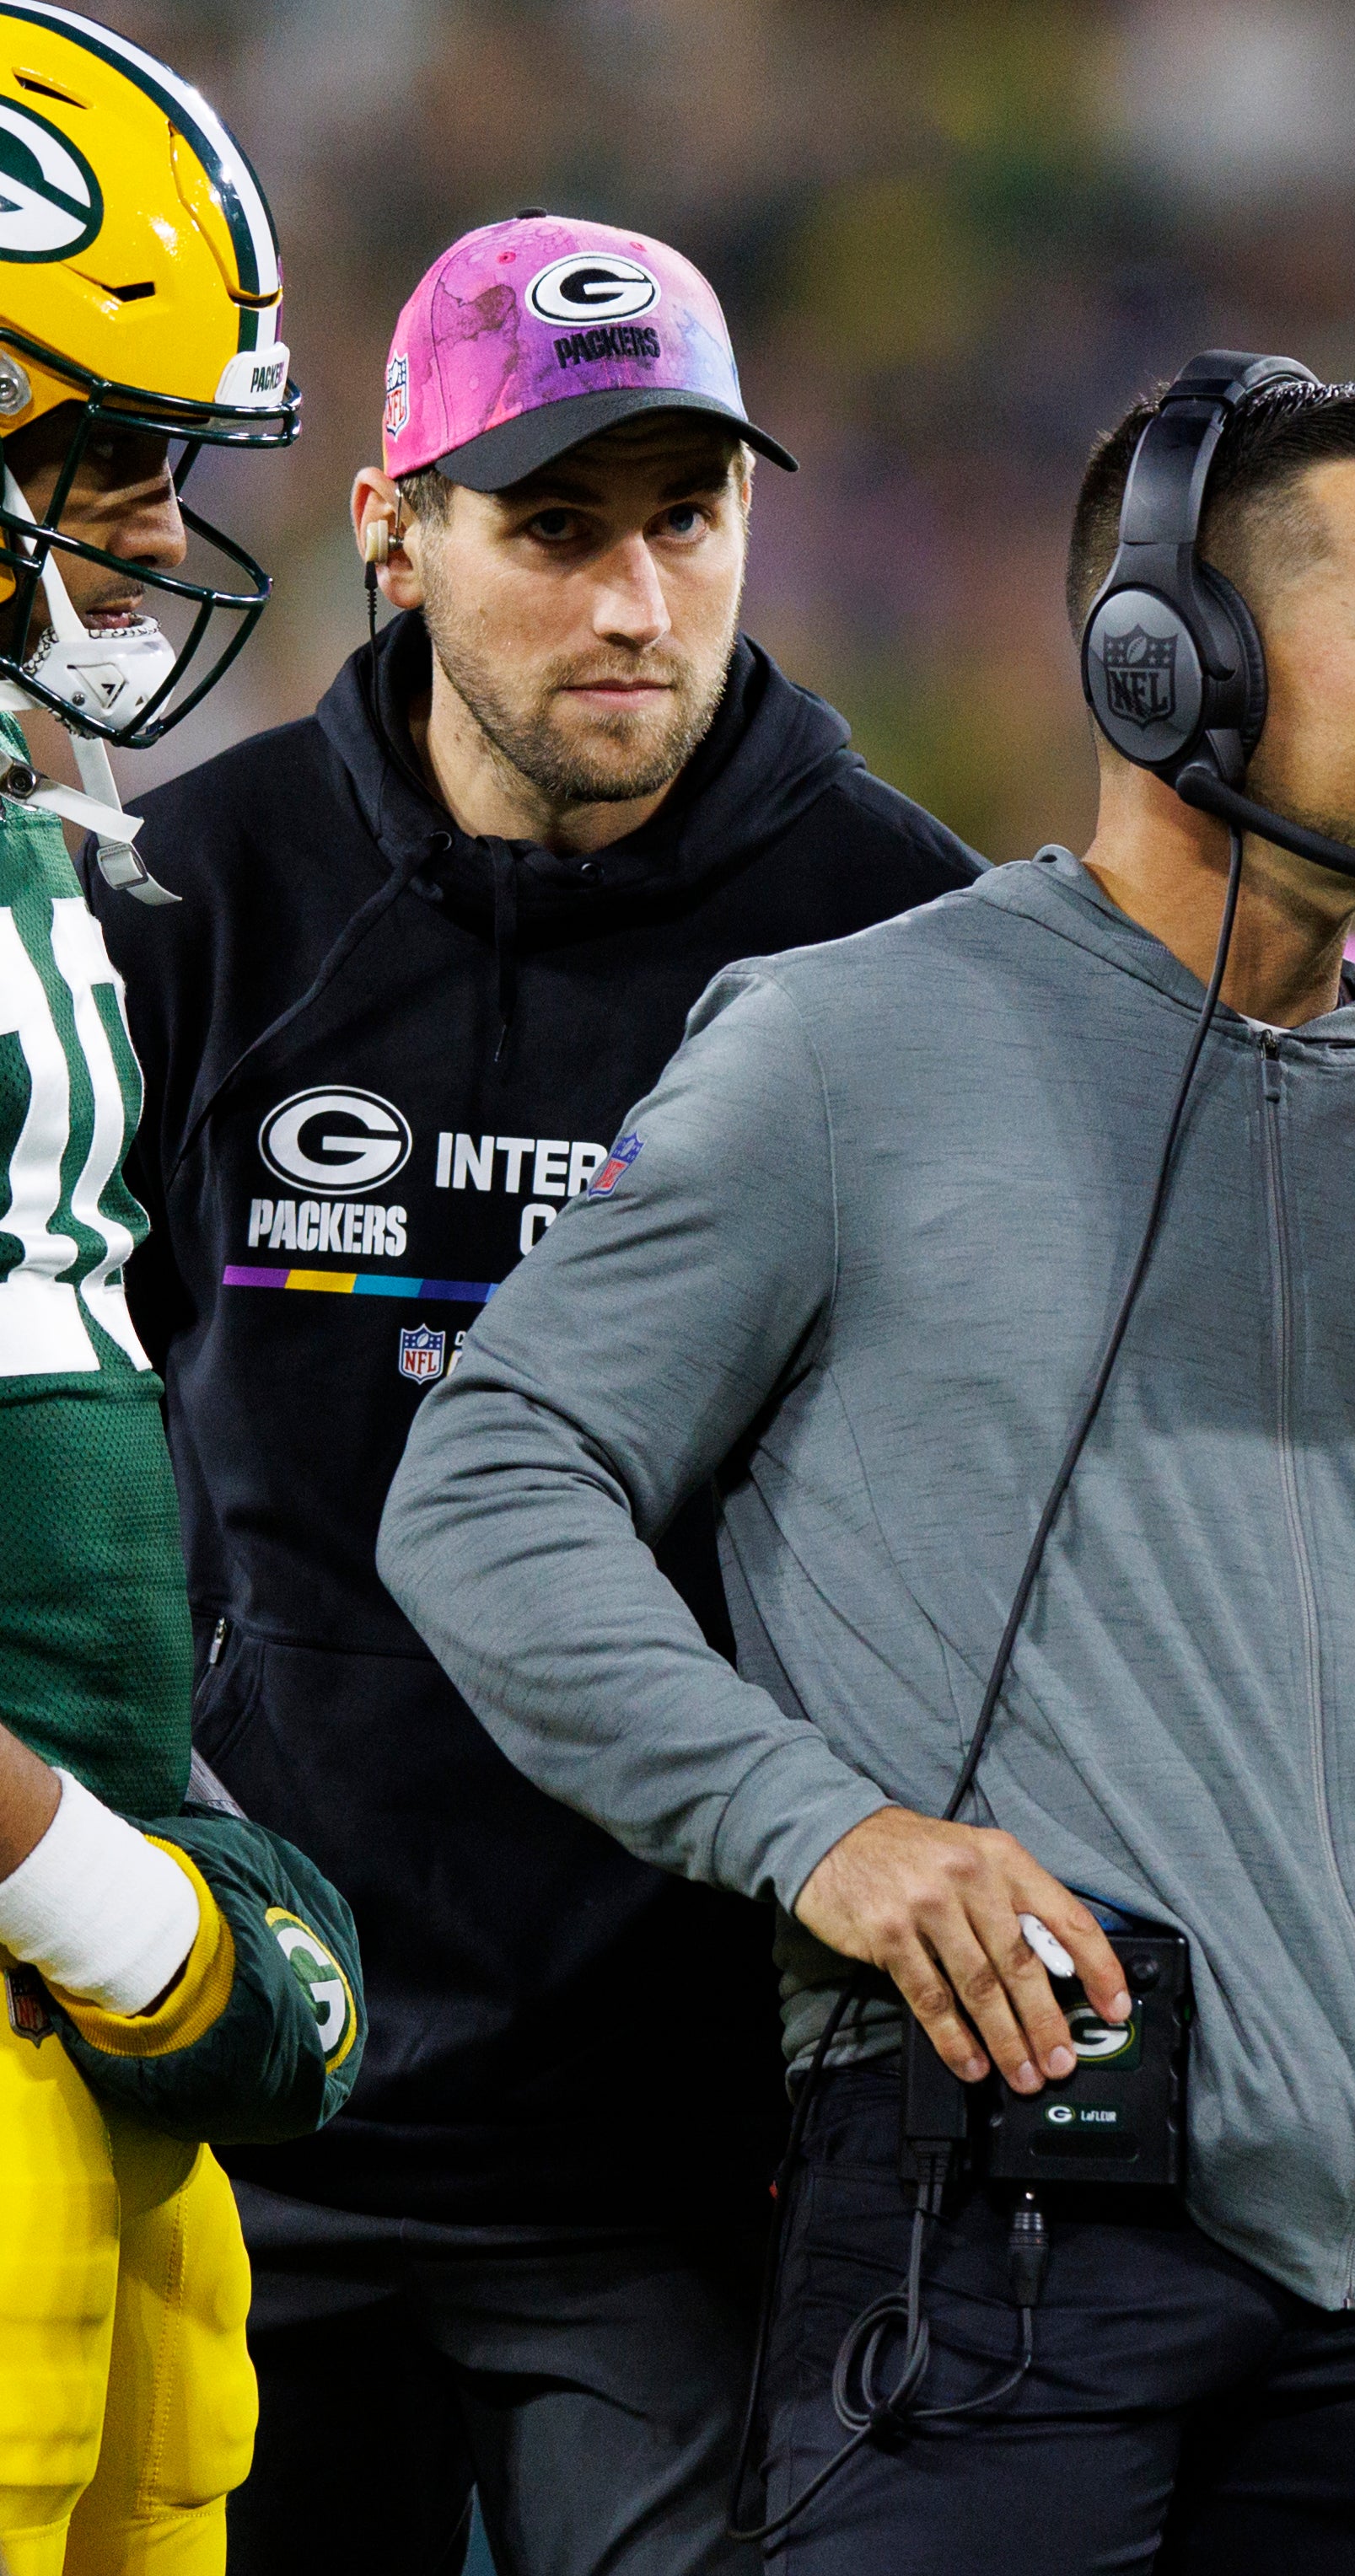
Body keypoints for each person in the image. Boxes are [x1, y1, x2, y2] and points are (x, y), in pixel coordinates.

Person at [375, 362, 1355, 2571]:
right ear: (1173, 668)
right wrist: (821, 1831)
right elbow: (490, 1480)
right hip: (1004, 2234)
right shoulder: (848, 1045)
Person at [96, 214, 980, 2576]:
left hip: (678, 2163)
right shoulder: (186, 896)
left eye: (686, 519)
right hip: (257, 2098)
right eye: (554, 525)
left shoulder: (896, 933)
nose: (633, 601)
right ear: (392, 532)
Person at [0, 11, 368, 2571]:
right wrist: (85, 1872)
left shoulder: (54, 841)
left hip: (86, 2045)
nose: (147, 536)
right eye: (96, 453)